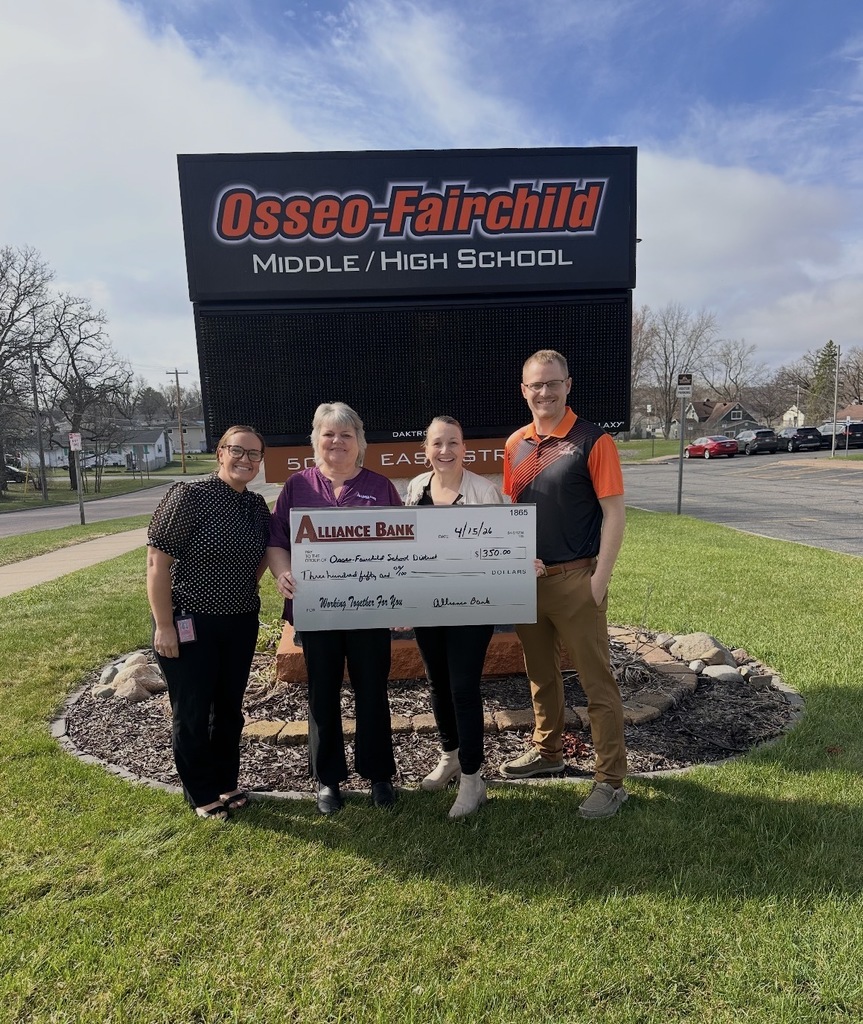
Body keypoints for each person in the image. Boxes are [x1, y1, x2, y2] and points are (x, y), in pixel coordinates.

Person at [500, 350, 628, 819]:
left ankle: (611, 781)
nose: (545, 392)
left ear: (568, 385)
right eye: (536, 385)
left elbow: (615, 514)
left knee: (597, 684)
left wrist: (599, 580)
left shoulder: (594, 441)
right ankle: (548, 753)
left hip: (578, 578)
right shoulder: (515, 444)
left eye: (553, 383)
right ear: (524, 390)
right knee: (540, 674)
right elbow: (511, 513)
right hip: (529, 580)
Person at [267, 402, 402, 815]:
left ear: (359, 442)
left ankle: (379, 774)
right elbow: (277, 542)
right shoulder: (297, 487)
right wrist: (282, 574)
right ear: (316, 440)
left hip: (369, 611)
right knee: (322, 694)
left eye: (346, 435)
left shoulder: (381, 488)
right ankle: (328, 779)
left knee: (372, 692)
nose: (337, 442)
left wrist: (401, 598)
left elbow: (403, 547)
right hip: (317, 611)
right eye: (329, 434)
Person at [147, 426, 271, 820]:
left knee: (230, 710)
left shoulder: (257, 507)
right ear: (220, 453)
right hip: (190, 622)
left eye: (254, 455)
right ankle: (200, 791)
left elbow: (260, 560)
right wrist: (164, 624)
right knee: (193, 710)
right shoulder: (188, 496)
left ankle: (226, 781)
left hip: (239, 622)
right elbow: (157, 563)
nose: (246, 460)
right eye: (238, 451)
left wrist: (241, 590)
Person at [405, 416, 505, 819]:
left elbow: (504, 547)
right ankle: (450, 756)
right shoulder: (414, 488)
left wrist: (521, 564)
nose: (444, 451)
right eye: (437, 443)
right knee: (436, 683)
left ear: (465, 448)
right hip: (428, 606)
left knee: (463, 687)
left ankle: (472, 779)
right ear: (426, 449)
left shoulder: (484, 491)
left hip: (472, 607)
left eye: (453, 443)